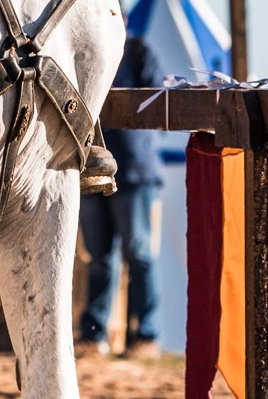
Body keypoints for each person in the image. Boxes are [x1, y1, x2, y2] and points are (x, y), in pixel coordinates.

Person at [77, 32, 165, 356]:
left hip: (133, 169)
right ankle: (94, 335)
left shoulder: (139, 51)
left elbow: (156, 99)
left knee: (138, 254)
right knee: (99, 257)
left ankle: (146, 335)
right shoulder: (83, 50)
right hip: (92, 165)